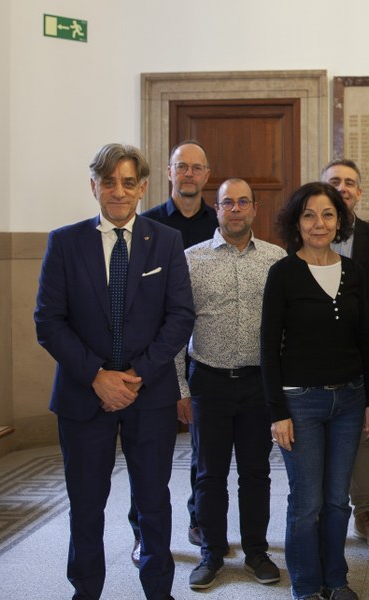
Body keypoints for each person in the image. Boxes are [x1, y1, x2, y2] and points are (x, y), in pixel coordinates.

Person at [34, 143, 195, 600]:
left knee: (153, 502)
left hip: (151, 395)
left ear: (143, 187)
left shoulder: (165, 240)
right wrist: (97, 376)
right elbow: (48, 321)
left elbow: (180, 317)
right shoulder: (65, 242)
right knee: (86, 505)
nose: (118, 191)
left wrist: (136, 374)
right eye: (109, 182)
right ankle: (85, 590)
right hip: (84, 397)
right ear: (94, 187)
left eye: (128, 182)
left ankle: (158, 591)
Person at [261, 182, 369, 600]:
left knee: (336, 500)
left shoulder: (354, 273)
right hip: (300, 403)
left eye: (328, 214)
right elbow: (267, 347)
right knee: (307, 501)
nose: (319, 223)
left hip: (349, 400)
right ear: (297, 222)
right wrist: (277, 411)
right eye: (309, 214)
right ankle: (307, 585)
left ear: (340, 220)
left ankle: (336, 580)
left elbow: (367, 338)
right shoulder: (282, 273)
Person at [180, 179, 286, 589]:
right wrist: (181, 389)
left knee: (256, 473)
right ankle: (211, 553)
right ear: (217, 209)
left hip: (259, 382)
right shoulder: (191, 260)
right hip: (208, 380)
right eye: (228, 203)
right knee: (209, 474)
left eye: (244, 202)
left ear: (255, 209)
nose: (236, 209)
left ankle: (257, 551)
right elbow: (177, 327)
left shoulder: (276, 259)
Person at [137, 139, 218, 555]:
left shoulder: (219, 224)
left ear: (207, 175)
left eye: (196, 167)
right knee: (150, 450)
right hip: (155, 352)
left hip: (203, 349)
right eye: (180, 166)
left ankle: (198, 518)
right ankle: (142, 532)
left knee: (202, 448)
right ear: (169, 173)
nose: (188, 174)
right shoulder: (146, 224)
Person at [322, 159, 369, 552]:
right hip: (314, 357)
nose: (343, 187)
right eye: (335, 181)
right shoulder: (301, 236)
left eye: (350, 182)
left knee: (364, 434)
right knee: (316, 436)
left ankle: (364, 514)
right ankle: (318, 512)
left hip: (363, 353)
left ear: (359, 193)